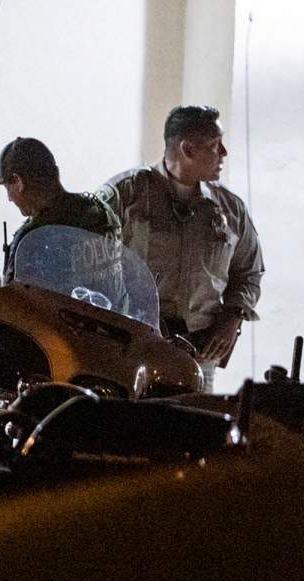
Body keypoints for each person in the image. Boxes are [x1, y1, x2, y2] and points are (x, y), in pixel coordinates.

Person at [98, 105, 264, 390]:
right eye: (215, 145)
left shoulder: (230, 209)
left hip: (197, 356)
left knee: (193, 429)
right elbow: (91, 266)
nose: (224, 153)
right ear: (187, 149)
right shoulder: (126, 194)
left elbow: (249, 273)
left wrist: (232, 317)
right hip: (132, 349)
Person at [0, 137, 119, 277]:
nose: (9, 198)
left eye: (8, 189)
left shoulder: (32, 240)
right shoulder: (101, 212)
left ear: (18, 182)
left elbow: (16, 296)